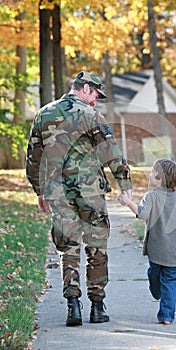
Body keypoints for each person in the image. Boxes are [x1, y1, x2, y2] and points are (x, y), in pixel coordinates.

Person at [26, 71, 132, 326]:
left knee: (68, 249)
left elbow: (33, 157)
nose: (96, 99)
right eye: (95, 93)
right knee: (97, 247)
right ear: (83, 88)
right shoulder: (90, 114)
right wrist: (125, 183)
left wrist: (39, 189)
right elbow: (111, 151)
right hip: (90, 192)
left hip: (58, 193)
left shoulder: (44, 113)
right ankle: (97, 307)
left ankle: (73, 306)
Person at [118, 159, 176, 325]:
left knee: (155, 275)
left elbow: (142, 214)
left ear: (159, 179)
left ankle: (159, 295)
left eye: (152, 171)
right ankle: (166, 315)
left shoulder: (151, 197)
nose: (149, 174)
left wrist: (128, 202)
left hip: (156, 251)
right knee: (172, 283)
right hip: (173, 253)